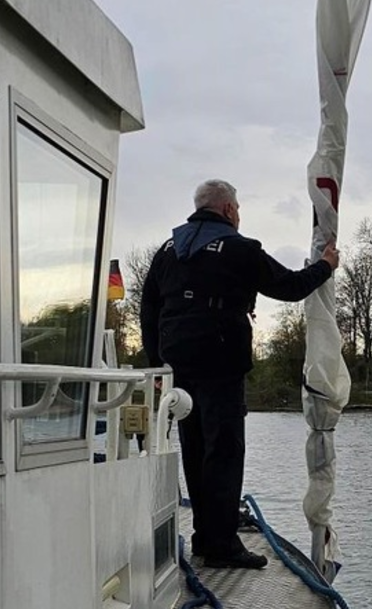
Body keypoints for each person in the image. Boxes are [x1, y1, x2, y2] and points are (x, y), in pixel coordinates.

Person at [139, 179, 339, 569]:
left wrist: (156, 364)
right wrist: (325, 266)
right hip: (220, 362)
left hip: (177, 365)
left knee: (195, 450)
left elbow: (149, 311)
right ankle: (222, 545)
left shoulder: (167, 250)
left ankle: (204, 537)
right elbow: (290, 286)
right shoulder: (238, 248)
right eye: (239, 209)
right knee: (225, 451)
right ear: (229, 209)